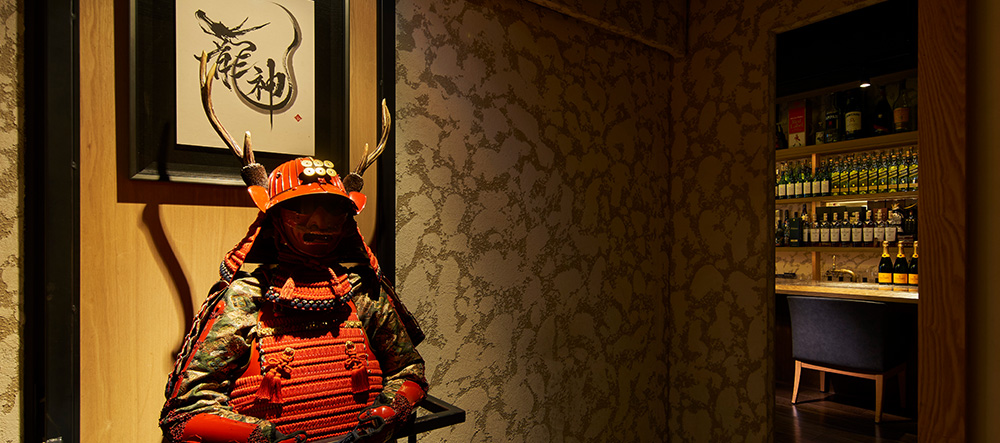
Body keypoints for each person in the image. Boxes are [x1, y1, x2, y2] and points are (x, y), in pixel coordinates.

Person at [159, 157, 428, 443]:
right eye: (303, 208)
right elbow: (187, 410)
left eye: (333, 209)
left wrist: (387, 413)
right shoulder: (246, 297)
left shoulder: (363, 293)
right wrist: (265, 438)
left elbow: (408, 371)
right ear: (276, 217)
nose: (320, 222)